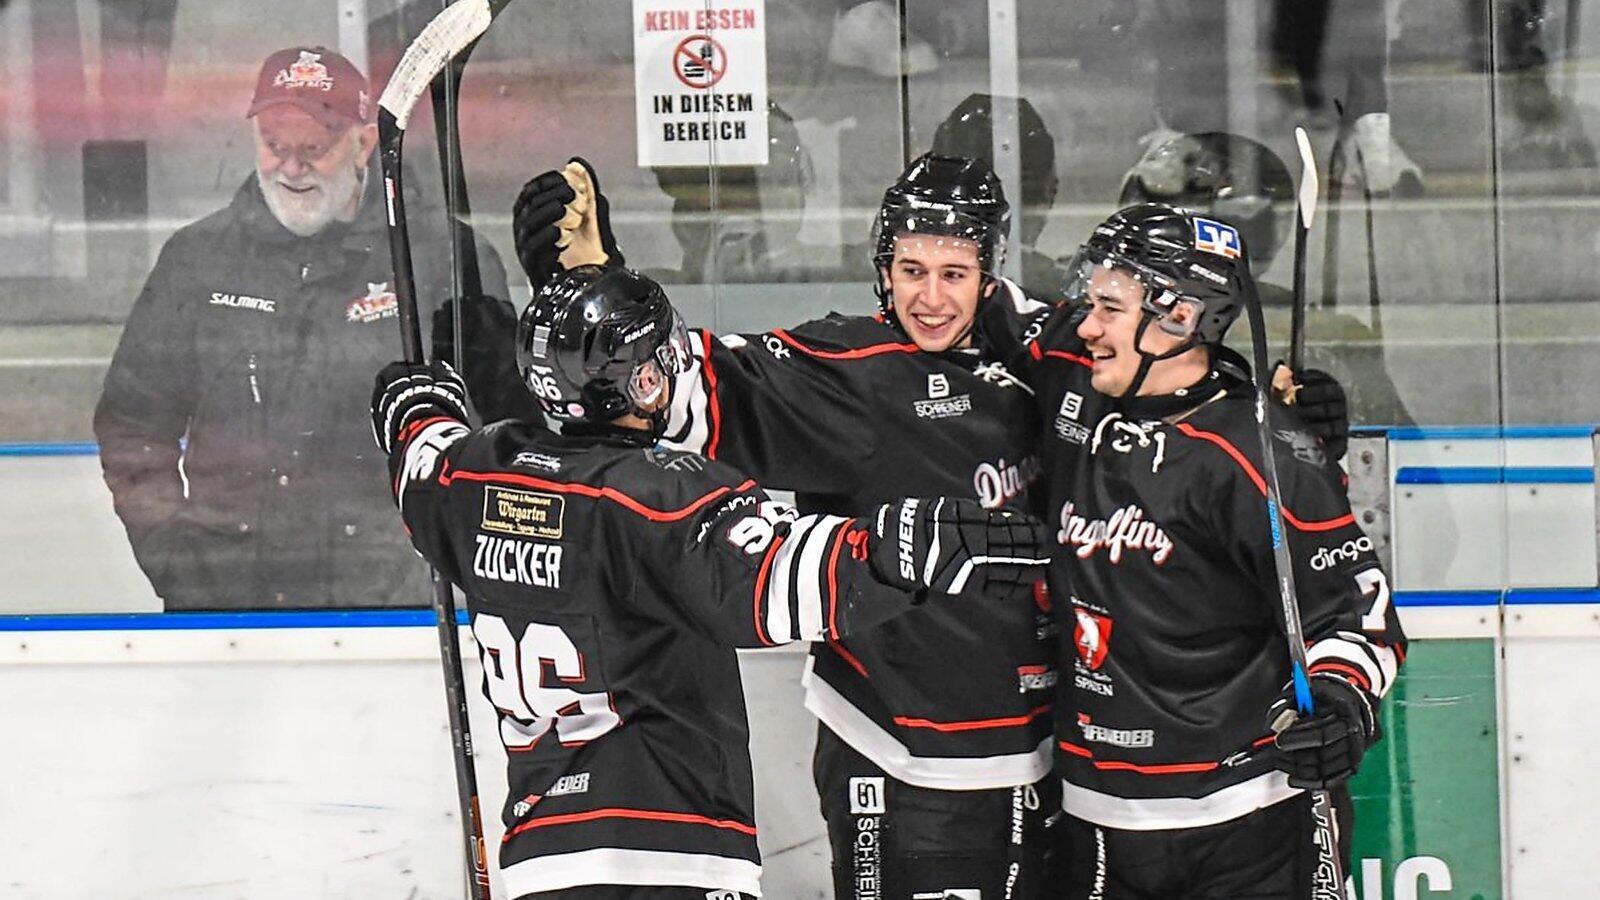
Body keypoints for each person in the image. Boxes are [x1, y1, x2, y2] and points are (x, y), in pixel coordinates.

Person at [370, 263, 1050, 898]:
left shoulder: (475, 478)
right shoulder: (655, 495)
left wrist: (415, 409)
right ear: (642, 382)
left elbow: (421, 462)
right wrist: (899, 548)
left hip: (541, 861)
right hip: (672, 846)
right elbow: (772, 580)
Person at [517, 152, 1060, 899]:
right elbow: (686, 386)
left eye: (953, 274)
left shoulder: (1035, 356)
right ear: (884, 267)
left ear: (989, 274)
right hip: (899, 755)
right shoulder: (852, 372)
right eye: (911, 271)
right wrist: (598, 293)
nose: (930, 298)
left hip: (1039, 748)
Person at [1016, 203, 1407, 896]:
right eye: (1091, 304)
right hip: (1096, 817)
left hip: (1250, 817)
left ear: (1180, 317)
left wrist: (1339, 702)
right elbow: (974, 304)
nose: (1088, 327)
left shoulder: (1258, 452)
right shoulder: (1075, 383)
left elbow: (1355, 615)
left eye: (1110, 309)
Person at [93, 45, 526, 610]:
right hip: (229, 609)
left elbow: (507, 432)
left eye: (314, 149)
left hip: (400, 611)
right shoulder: (196, 260)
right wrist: (176, 556)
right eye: (275, 146)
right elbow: (132, 423)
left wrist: (451, 562)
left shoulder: (442, 258)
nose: (291, 168)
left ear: (363, 145)